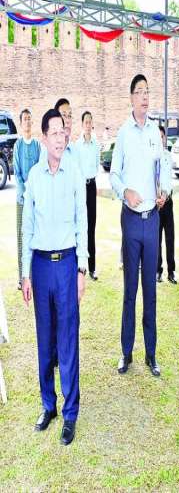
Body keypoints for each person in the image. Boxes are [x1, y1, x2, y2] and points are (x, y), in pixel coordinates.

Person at [21, 108, 88, 446]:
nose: (61, 138)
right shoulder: (34, 177)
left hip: (66, 265)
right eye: (55, 133)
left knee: (67, 339)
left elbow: (82, 220)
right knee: (45, 339)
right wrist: (25, 273)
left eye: (63, 132)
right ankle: (48, 405)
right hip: (41, 267)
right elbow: (27, 227)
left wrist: (82, 268)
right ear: (44, 138)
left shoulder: (73, 172)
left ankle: (70, 412)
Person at [110, 74, 171, 377]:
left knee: (151, 290)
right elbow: (114, 174)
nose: (145, 96)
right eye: (140, 92)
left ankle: (151, 354)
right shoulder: (124, 133)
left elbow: (164, 168)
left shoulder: (155, 134)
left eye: (148, 91)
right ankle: (126, 352)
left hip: (152, 220)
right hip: (131, 220)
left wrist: (164, 191)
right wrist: (125, 192)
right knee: (130, 291)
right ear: (132, 98)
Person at [14, 108, 41, 290]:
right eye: (25, 119)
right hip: (22, 200)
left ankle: (34, 275)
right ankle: (22, 277)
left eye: (30, 118)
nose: (28, 122)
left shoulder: (37, 145)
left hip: (36, 199)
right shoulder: (18, 145)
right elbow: (16, 173)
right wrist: (25, 192)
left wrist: (34, 192)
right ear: (20, 123)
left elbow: (39, 170)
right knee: (22, 236)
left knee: (36, 235)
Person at [73, 111, 100, 280]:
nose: (88, 125)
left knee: (91, 227)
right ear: (82, 124)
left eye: (90, 122)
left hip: (92, 186)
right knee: (81, 226)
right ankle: (79, 266)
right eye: (86, 122)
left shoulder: (96, 144)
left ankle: (92, 268)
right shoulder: (77, 146)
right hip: (81, 187)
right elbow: (76, 169)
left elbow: (97, 165)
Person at [157, 126, 176, 284]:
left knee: (170, 238)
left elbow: (169, 180)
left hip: (168, 202)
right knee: (157, 239)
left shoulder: (168, 156)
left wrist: (165, 194)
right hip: (156, 204)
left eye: (162, 136)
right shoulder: (151, 157)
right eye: (158, 136)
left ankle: (171, 272)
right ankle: (158, 270)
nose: (160, 139)